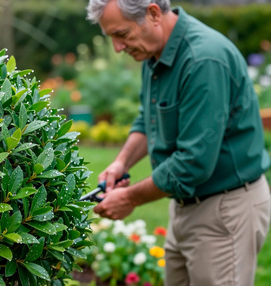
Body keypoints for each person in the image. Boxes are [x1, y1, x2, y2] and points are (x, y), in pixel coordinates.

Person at [85, 0, 271, 285]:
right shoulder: (153, 53)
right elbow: (148, 120)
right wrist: (120, 162)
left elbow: (193, 163)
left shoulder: (203, 60)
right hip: (186, 205)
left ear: (153, 13)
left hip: (224, 210)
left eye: (122, 34)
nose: (118, 48)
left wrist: (131, 197)